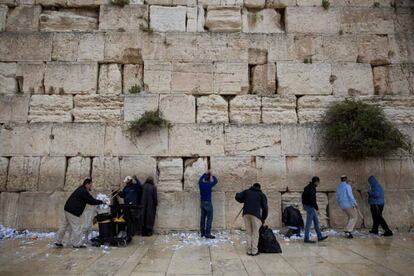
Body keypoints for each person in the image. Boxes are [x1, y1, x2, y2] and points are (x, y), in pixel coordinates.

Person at [55, 178, 104, 248]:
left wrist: (99, 201)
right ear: (86, 184)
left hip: (68, 209)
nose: (91, 187)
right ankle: (77, 244)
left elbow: (89, 199)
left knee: (64, 225)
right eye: (90, 185)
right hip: (73, 211)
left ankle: (58, 241)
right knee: (77, 228)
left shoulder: (81, 189)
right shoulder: (83, 191)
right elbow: (91, 201)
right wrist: (101, 201)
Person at [235, 183, 268, 256]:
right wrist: (263, 218)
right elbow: (265, 208)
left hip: (246, 214)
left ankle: (249, 250)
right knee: (255, 233)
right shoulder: (261, 195)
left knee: (248, 232)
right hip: (255, 215)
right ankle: (254, 251)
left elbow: (238, 197)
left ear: (252, 186)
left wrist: (241, 197)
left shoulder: (247, 192)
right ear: (259, 188)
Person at [302, 176, 328, 243]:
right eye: (318, 182)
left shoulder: (308, 187)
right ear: (316, 182)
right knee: (309, 223)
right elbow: (312, 200)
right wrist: (316, 208)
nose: (318, 183)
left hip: (307, 205)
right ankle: (306, 238)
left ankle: (319, 236)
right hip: (310, 206)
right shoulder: (312, 188)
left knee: (316, 222)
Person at [199, 170, 218, 239]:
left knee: (202, 218)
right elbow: (216, 181)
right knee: (209, 218)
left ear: (204, 178)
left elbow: (200, 179)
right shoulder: (209, 184)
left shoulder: (201, 184)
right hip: (208, 203)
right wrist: (212, 175)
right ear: (209, 179)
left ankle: (202, 233)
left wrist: (205, 173)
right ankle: (208, 233)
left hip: (202, 203)